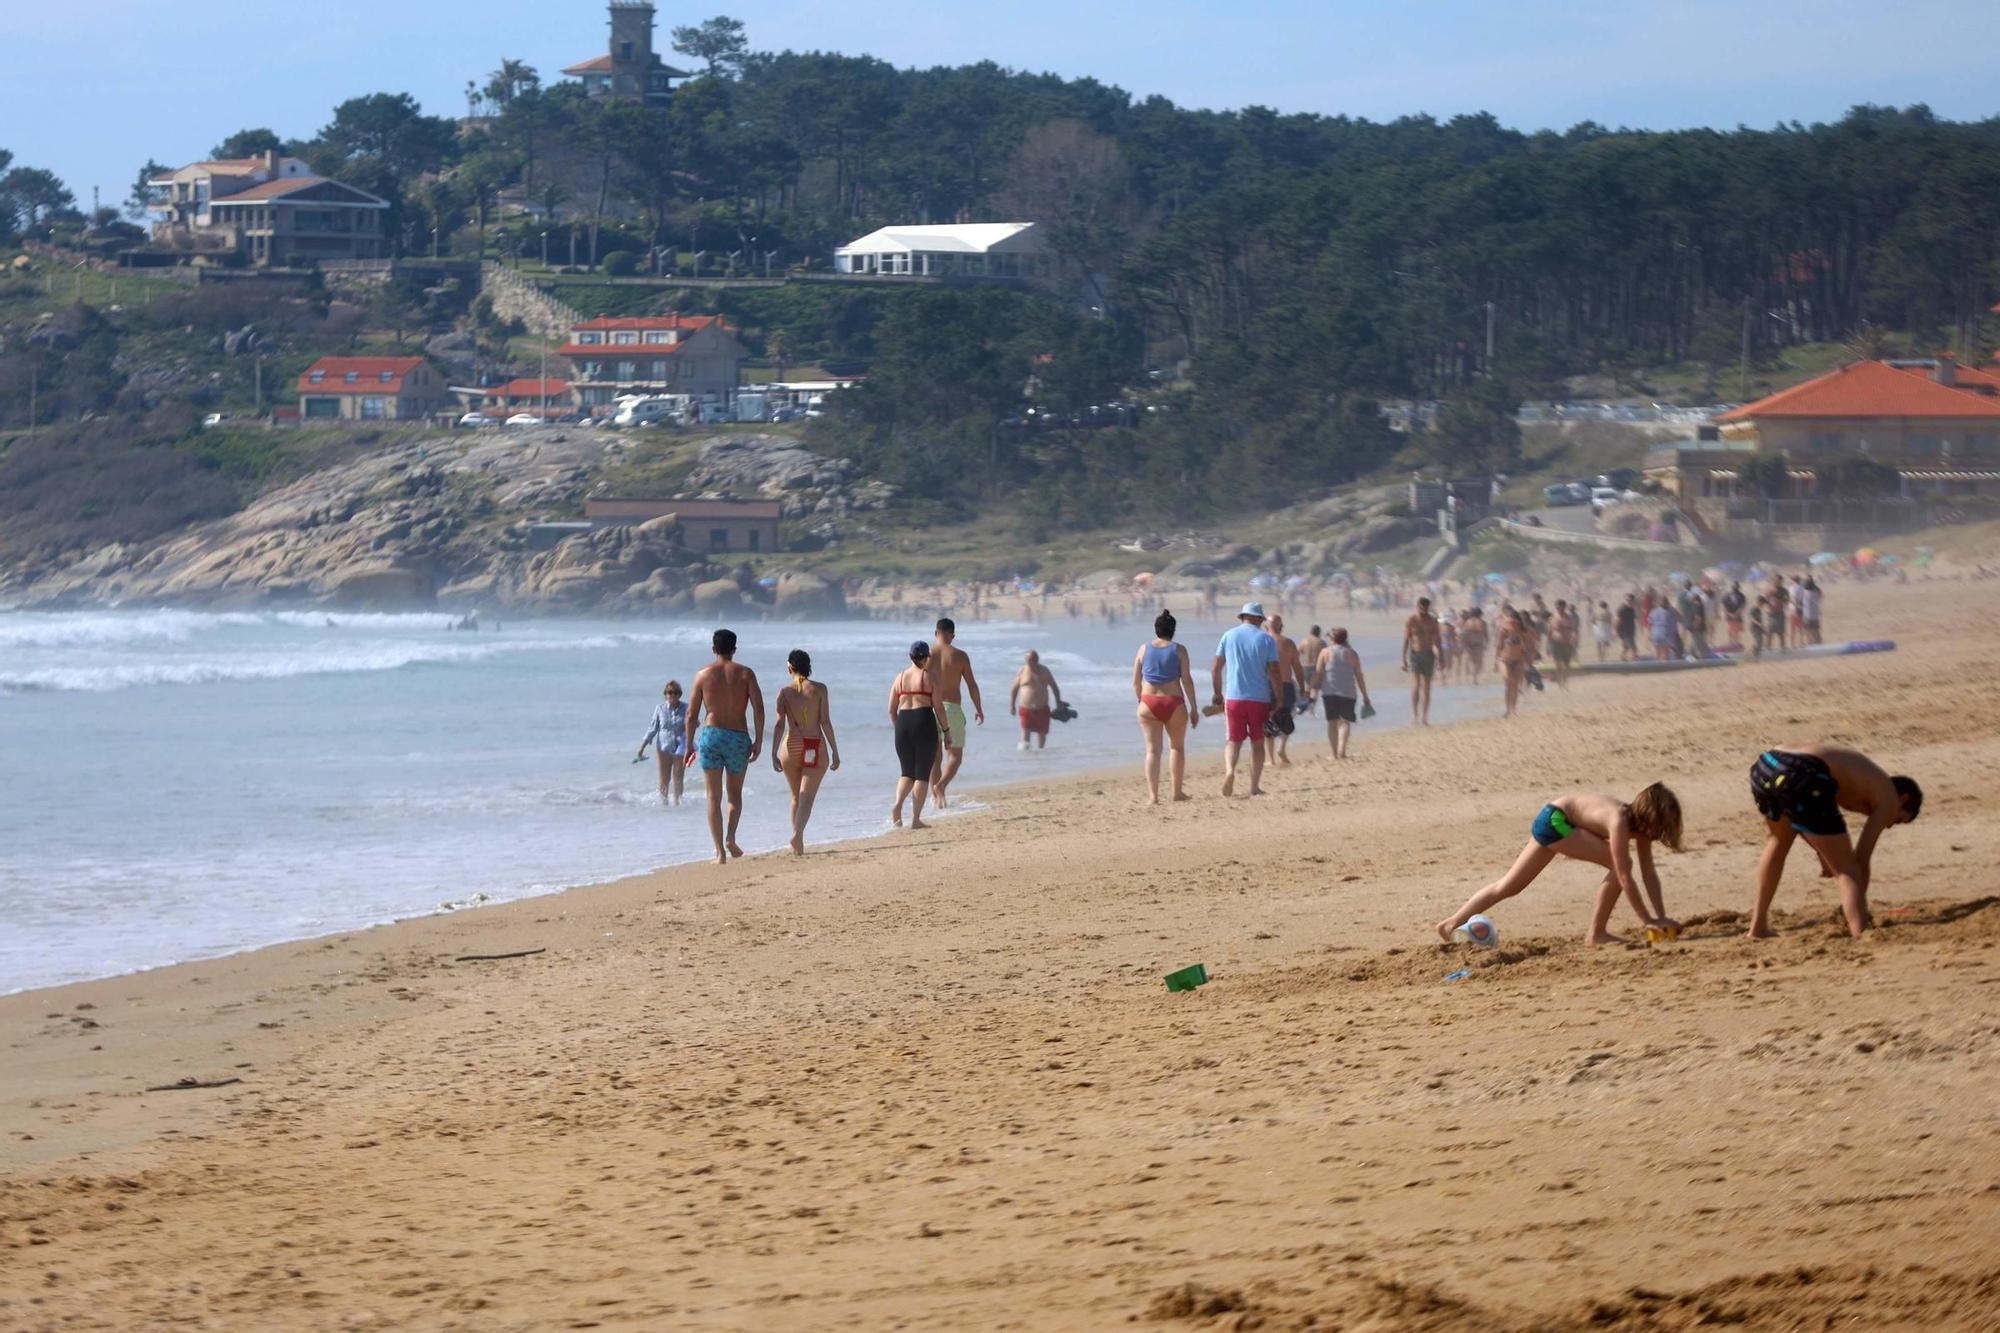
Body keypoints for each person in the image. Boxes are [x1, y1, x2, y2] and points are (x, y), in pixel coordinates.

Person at [1436, 784, 1684, 948]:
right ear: (1649, 816)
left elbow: (1649, 873)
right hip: (1557, 821)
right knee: (1620, 864)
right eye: (1661, 826)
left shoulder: (1641, 830)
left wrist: (1660, 916)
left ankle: (1451, 924)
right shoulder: (1618, 820)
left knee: (1509, 886)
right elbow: (1624, 876)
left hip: (1552, 817)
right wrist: (1647, 920)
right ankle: (1596, 934)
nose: (1660, 833)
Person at [1747, 745, 1922, 939]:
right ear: (1903, 800)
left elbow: (1803, 817)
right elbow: (1860, 861)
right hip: (1802, 771)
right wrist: (1858, 906)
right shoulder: (1889, 798)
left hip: (1768, 764)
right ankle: (1861, 933)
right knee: (1848, 871)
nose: (1890, 825)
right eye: (1898, 819)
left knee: (1779, 841)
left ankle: (1758, 927)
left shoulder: (1864, 780)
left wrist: (1822, 852)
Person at [684, 629, 765, 865]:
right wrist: (759, 740)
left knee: (712, 796)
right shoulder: (746, 674)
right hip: (738, 737)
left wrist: (689, 744)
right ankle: (730, 838)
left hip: (711, 735)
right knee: (734, 795)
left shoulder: (702, 675)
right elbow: (758, 709)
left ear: (713, 649)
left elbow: (691, 714)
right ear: (734, 649)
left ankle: (719, 852)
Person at [770, 649, 839, 857]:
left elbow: (779, 724)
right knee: (807, 798)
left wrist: (773, 752)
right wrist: (835, 750)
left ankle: (797, 843)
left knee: (795, 796)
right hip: (812, 745)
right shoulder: (819, 689)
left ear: (790, 667)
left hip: (790, 746)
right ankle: (798, 835)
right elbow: (825, 721)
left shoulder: (783, 692)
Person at [1211, 602, 1283, 797]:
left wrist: (1218, 693)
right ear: (1259, 619)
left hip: (1234, 697)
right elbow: (1275, 670)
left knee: (1233, 741)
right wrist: (1279, 697)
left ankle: (1230, 771)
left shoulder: (1228, 635)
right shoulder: (1266, 639)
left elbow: (1216, 667)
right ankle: (1254, 786)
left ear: (1242, 617)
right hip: (1259, 698)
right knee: (1257, 743)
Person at [1132, 611, 1199, 804]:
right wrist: (1194, 708)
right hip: (1174, 702)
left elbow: (1136, 682)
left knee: (1153, 751)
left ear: (1156, 629)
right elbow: (1186, 680)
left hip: (1148, 702)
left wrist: (1141, 701)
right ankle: (1176, 792)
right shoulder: (1180, 650)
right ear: (1173, 630)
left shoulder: (1143, 649)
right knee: (1177, 748)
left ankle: (1153, 797)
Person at [889, 641, 948, 829]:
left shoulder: (899, 678)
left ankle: (897, 805)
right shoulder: (930, 677)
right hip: (923, 721)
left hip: (903, 723)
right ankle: (915, 819)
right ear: (925, 658)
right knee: (922, 774)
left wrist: (900, 728)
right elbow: (938, 707)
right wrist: (947, 731)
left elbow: (891, 710)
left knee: (906, 772)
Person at [928, 618, 984, 808]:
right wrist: (978, 708)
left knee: (934, 758)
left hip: (929, 708)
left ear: (936, 633)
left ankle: (936, 800)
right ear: (952, 635)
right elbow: (972, 685)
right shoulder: (960, 656)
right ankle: (941, 786)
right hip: (951, 708)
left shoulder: (926, 654)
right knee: (955, 756)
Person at [1309, 627, 1372, 760]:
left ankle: (1333, 754)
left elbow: (1318, 673)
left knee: (1332, 722)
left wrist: (1309, 689)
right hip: (1348, 692)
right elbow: (1359, 676)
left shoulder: (1325, 652)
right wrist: (1365, 696)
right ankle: (1341, 751)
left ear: (1332, 639)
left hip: (1329, 692)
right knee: (1345, 722)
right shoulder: (1352, 654)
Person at [637, 680, 689, 806]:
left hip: (680, 747)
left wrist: (693, 724)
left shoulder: (686, 708)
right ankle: (663, 805)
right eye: (670, 692)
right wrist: (642, 747)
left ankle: (678, 804)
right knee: (664, 779)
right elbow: (653, 728)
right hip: (663, 747)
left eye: (676, 693)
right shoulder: (659, 708)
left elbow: (692, 724)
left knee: (678, 778)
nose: (673, 695)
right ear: (665, 694)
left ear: (680, 694)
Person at [1265, 612, 1306, 765]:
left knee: (1268, 720)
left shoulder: (1262, 642)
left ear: (1265, 627)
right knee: (1286, 717)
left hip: (1267, 686)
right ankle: (1281, 748)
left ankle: (1270, 759)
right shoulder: (1289, 643)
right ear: (1281, 627)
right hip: (1286, 685)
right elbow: (1298, 668)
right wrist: (1302, 687)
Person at [1010, 650, 1063, 751]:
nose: (1032, 662)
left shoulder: (1045, 671)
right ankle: (1025, 757)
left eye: (1034, 660)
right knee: (1026, 732)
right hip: (1026, 708)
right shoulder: (1022, 671)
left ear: (1038, 660)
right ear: (1026, 660)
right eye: (1030, 660)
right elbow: (1014, 689)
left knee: (1042, 733)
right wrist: (1012, 705)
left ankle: (1041, 757)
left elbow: (1054, 687)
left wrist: (1058, 703)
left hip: (1042, 708)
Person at [1402, 596, 1441, 725]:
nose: (1423, 610)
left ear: (1428, 608)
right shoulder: (1411, 620)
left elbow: (1438, 640)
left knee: (1427, 687)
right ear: (1418, 607)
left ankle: (1424, 717)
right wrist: (1403, 659)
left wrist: (1442, 658)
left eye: (1425, 608)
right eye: (1421, 607)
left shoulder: (1433, 621)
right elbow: (1406, 640)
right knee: (1416, 685)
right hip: (1415, 655)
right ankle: (1414, 715)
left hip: (1429, 654)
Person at [1495, 606, 1532, 718]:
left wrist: (1528, 661)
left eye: (1513, 620)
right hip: (1504, 660)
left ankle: (1513, 710)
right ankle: (1507, 709)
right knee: (1508, 681)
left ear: (1518, 621)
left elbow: (1527, 647)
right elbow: (1499, 646)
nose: (1510, 622)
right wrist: (1495, 661)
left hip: (1518, 660)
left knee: (1515, 685)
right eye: (1508, 619)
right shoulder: (1504, 631)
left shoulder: (1522, 632)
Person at [1548, 599, 1578, 688]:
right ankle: (1560, 682)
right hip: (1556, 643)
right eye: (1557, 606)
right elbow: (1549, 631)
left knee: (1566, 664)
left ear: (1564, 607)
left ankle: (1565, 682)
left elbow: (1573, 630)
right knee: (1557, 664)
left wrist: (1574, 639)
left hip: (1567, 643)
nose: (1559, 608)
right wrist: (1548, 644)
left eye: (1560, 606)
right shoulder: (1552, 617)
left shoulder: (1569, 618)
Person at [1459, 608, 1488, 685]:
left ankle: (1471, 677)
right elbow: (1486, 635)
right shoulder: (1483, 623)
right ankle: (1474, 677)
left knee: (1471, 662)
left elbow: (1463, 634)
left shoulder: (1468, 622)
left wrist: (1464, 644)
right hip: (1478, 644)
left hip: (1469, 645)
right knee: (1478, 662)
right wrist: (1487, 643)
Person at [1723, 581, 1747, 647]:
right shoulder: (1727, 596)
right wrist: (1729, 614)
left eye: (1736, 587)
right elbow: (1724, 606)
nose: (1735, 588)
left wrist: (1737, 614)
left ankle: (1736, 643)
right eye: (1734, 587)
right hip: (1729, 616)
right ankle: (1730, 642)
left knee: (1737, 630)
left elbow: (1742, 606)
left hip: (1738, 616)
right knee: (1730, 630)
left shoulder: (1742, 596)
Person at [1616, 594, 1639, 662]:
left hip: (1630, 631)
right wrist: (1616, 631)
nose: (1628, 601)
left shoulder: (1632, 609)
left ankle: (1623, 659)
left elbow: (1634, 619)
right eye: (1627, 600)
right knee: (1633, 647)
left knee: (1625, 647)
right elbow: (1617, 621)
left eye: (1630, 600)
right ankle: (1633, 661)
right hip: (1625, 631)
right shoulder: (1622, 609)